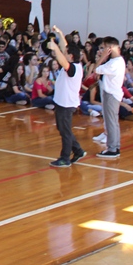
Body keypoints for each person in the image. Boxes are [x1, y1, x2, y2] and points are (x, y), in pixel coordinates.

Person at [46, 27, 86, 167]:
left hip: (66, 104)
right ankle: (78, 150)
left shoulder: (73, 68)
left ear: (71, 56)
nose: (64, 53)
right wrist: (60, 34)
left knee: (65, 131)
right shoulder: (74, 64)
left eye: (66, 53)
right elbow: (65, 48)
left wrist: (55, 48)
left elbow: (62, 59)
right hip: (62, 102)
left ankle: (65, 158)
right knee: (63, 129)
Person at [95, 36, 125, 159]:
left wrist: (102, 57)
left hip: (111, 94)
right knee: (114, 121)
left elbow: (96, 69)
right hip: (114, 93)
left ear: (110, 48)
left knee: (110, 122)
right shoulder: (119, 60)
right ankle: (115, 146)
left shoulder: (113, 63)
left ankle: (112, 149)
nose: (103, 50)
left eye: (105, 47)